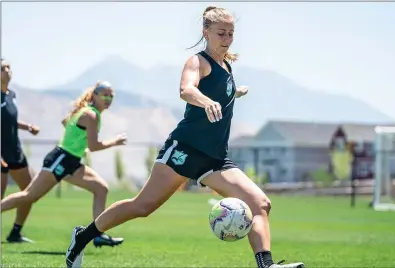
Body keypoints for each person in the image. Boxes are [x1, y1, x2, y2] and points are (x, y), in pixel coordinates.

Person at [65, 6, 305, 268]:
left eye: (231, 34)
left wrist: (233, 93)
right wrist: (205, 101)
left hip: (215, 158)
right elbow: (186, 89)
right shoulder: (197, 61)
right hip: (185, 149)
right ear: (206, 32)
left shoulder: (227, 66)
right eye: (221, 33)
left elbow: (217, 90)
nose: (227, 38)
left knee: (260, 203)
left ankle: (266, 265)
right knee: (142, 206)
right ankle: (82, 237)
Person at [1, 81, 127, 248]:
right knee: (30, 196)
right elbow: (94, 146)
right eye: (104, 94)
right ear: (94, 95)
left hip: (72, 161)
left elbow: (65, 122)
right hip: (60, 159)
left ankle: (97, 235)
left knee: (101, 188)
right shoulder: (91, 115)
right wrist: (115, 141)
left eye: (111, 95)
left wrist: (76, 142)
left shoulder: (88, 112)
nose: (108, 98)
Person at [1, 58, 39, 243]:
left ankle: (15, 232)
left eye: (8, 67)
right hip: (1, 154)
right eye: (2, 68)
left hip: (15, 152)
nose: (7, 71)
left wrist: (28, 127)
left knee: (29, 192)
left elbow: (10, 121)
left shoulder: (11, 95)